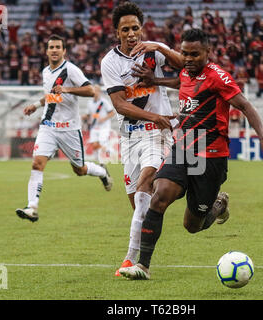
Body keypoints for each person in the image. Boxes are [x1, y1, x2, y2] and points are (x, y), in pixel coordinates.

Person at [119, 28, 263, 280]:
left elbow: (244, 105)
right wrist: (155, 81)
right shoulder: (186, 71)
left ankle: (217, 205)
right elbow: (181, 81)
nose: (189, 59)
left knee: (192, 226)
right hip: (184, 146)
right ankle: (143, 266)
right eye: (185, 54)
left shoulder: (218, 77)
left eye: (195, 54)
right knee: (158, 197)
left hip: (211, 156)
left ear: (207, 52)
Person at [100, 1, 183, 276]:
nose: (132, 33)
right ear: (117, 32)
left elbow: (188, 71)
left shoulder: (153, 52)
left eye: (136, 27)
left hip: (157, 134)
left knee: (146, 184)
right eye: (126, 29)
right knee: (139, 203)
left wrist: (160, 47)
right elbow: (121, 105)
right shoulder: (110, 62)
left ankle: (131, 261)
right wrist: (153, 116)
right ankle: (201, 195)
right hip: (130, 136)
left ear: (142, 28)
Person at [15, 34, 113, 223]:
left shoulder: (70, 70)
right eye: (51, 47)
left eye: (58, 47)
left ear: (64, 50)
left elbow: (90, 90)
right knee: (37, 164)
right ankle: (32, 207)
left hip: (69, 129)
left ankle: (102, 172)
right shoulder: (45, 72)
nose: (54, 50)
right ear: (46, 51)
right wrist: (35, 105)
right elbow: (50, 96)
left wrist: (67, 89)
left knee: (80, 169)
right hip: (48, 127)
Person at [84, 85, 116, 163]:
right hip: (94, 126)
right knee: (94, 144)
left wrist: (103, 118)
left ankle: (109, 151)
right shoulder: (89, 102)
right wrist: (84, 117)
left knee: (102, 142)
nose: (95, 92)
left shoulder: (104, 102)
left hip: (104, 126)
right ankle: (99, 159)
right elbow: (89, 114)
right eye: (94, 90)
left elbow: (112, 112)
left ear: (100, 92)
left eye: (97, 90)